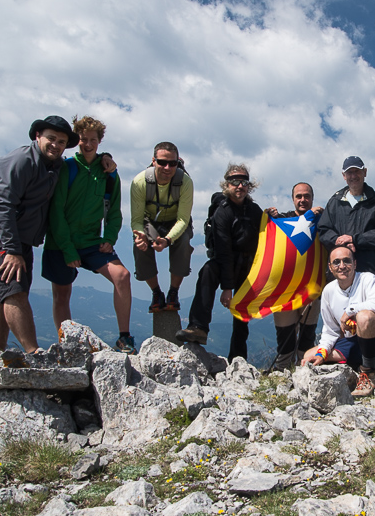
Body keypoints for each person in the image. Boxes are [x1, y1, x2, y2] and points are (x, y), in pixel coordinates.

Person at [0, 116, 79, 354]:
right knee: (15, 290)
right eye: (51, 138)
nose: (56, 145)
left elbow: (78, 164)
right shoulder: (21, 160)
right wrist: (11, 250)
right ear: (37, 136)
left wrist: (105, 158)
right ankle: (34, 354)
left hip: (19, 239)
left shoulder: (54, 165)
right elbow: (2, 205)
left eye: (61, 142)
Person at [41, 116, 135, 353]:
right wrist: (68, 249)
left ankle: (124, 338)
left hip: (92, 241)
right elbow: (56, 211)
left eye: (93, 139)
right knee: (62, 294)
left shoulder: (109, 173)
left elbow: (114, 211)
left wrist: (110, 238)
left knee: (122, 276)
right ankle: (67, 344)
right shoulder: (67, 168)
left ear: (100, 141)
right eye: (83, 139)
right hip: (61, 243)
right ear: (77, 139)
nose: (88, 144)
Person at [176, 164, 262, 362]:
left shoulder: (254, 211)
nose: (239, 186)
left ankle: (238, 357)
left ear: (250, 186)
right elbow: (223, 252)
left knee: (242, 313)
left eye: (244, 182)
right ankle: (198, 327)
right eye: (234, 182)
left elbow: (270, 229)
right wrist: (227, 288)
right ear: (226, 185)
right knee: (207, 271)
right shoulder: (222, 213)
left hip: (247, 265)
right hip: (226, 262)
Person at [300, 245, 375, 397]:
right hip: (355, 342)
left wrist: (350, 311)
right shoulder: (329, 291)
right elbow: (330, 331)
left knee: (364, 317)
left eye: (346, 261)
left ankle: (369, 373)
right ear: (330, 267)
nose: (342, 266)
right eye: (336, 262)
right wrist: (322, 353)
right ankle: (358, 369)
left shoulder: (368, 279)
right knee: (309, 355)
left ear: (355, 264)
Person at [130, 142, 194, 314]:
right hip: (150, 221)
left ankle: (173, 292)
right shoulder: (139, 182)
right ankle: (156, 293)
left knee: (183, 241)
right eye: (162, 162)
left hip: (176, 221)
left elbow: (183, 219)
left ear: (177, 163)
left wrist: (167, 240)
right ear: (153, 161)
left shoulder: (185, 182)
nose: (167, 167)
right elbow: (136, 220)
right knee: (140, 246)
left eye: (172, 163)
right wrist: (140, 235)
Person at [265, 182, 323, 370]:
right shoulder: (282, 221)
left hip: (311, 287)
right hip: (285, 289)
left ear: (312, 198)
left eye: (306, 196)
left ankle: (304, 368)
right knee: (285, 332)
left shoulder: (321, 220)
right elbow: (265, 232)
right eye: (298, 196)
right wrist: (266, 216)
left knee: (308, 332)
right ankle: (283, 369)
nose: (303, 200)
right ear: (292, 199)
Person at [318, 156, 375, 284]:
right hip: (341, 275)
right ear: (344, 175)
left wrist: (355, 239)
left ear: (365, 172)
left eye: (357, 171)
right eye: (349, 172)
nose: (353, 176)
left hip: (371, 273)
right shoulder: (334, 202)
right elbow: (323, 230)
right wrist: (338, 241)